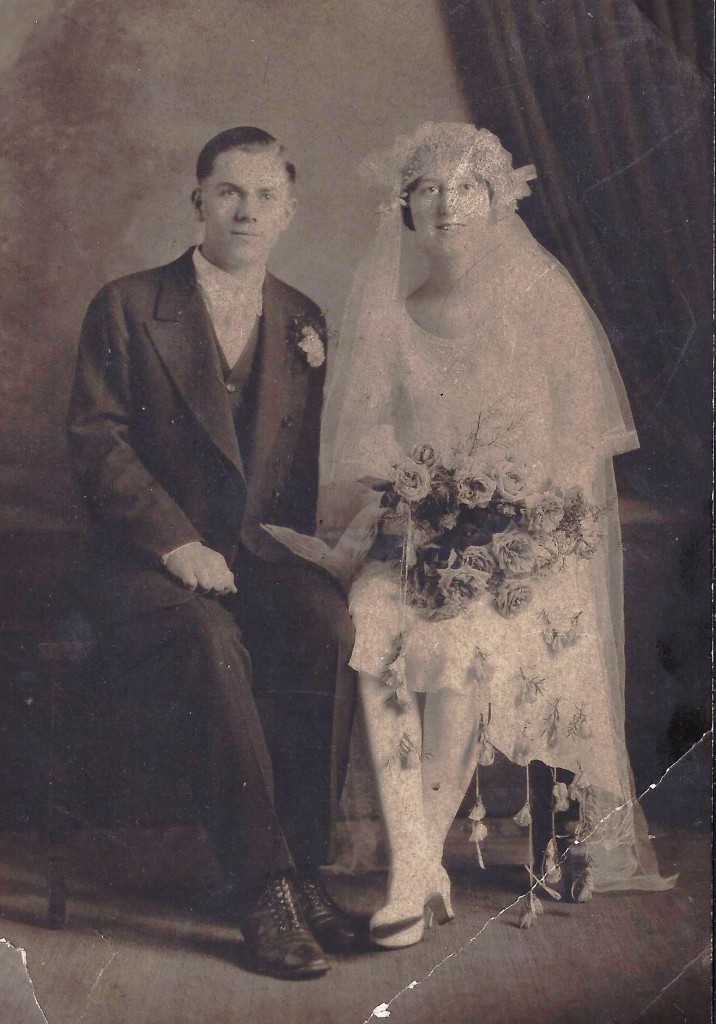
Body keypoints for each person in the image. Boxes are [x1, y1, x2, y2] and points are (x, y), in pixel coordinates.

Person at [317, 123, 676, 949]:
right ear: (405, 207)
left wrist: (503, 517)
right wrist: (419, 496)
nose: (447, 204)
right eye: (430, 189)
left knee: (463, 641)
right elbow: (366, 434)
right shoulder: (395, 316)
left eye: (466, 188)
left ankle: (412, 875)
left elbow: (573, 445)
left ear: (495, 201)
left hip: (526, 551)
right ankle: (420, 861)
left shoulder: (538, 302)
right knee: (375, 623)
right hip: (422, 541)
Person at [67, 127, 360, 979]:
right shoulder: (125, 304)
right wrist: (176, 543)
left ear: (291, 211)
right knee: (207, 638)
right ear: (196, 199)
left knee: (326, 625)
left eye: (266, 196)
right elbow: (97, 445)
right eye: (229, 191)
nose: (247, 210)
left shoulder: (302, 315)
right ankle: (262, 887)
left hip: (258, 559)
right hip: (141, 564)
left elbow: (305, 462)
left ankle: (304, 868)